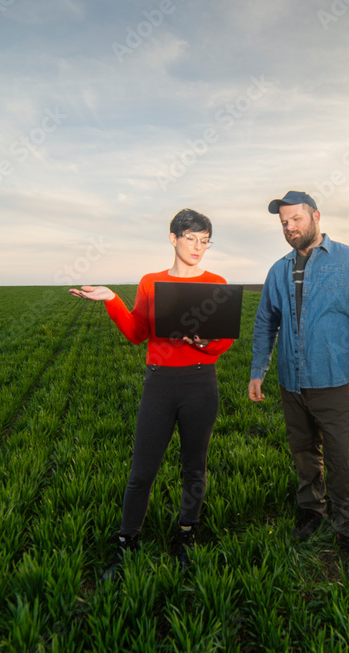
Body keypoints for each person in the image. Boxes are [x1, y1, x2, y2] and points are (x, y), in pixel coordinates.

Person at [70, 208, 233, 577]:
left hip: (200, 382)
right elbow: (136, 333)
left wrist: (208, 342)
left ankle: (187, 534)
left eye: (204, 240)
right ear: (173, 238)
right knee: (141, 471)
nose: (198, 247)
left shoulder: (217, 282)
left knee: (194, 467)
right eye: (190, 238)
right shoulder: (150, 282)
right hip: (159, 383)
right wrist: (112, 300)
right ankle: (126, 541)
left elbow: (223, 343)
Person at [248, 190, 349, 571]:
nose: (290, 227)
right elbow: (265, 323)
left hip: (337, 380)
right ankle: (312, 511)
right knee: (304, 452)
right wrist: (257, 371)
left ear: (315, 217)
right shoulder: (278, 270)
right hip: (291, 383)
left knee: (343, 458)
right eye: (284, 223)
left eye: (296, 219)